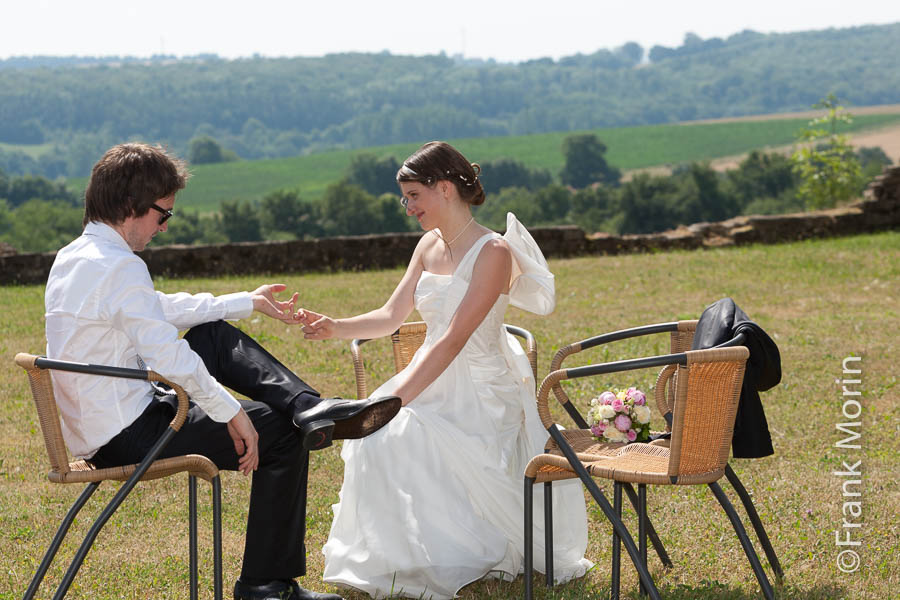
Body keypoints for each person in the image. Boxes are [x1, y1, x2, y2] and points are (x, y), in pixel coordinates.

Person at [44, 143, 400, 600]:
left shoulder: (75, 257)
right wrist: (232, 412)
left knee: (210, 333)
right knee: (279, 431)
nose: (164, 227)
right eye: (163, 215)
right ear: (131, 206)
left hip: (109, 423)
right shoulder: (118, 267)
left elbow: (156, 309)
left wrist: (247, 301)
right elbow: (169, 359)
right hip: (127, 434)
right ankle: (265, 587)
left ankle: (310, 407)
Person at [298, 141, 593, 599]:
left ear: (446, 188)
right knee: (377, 440)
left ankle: (468, 552)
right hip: (430, 370)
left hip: (481, 383)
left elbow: (456, 337)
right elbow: (393, 315)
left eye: (414, 195)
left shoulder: (494, 251)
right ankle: (412, 554)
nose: (408, 207)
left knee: (402, 432)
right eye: (406, 197)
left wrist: (396, 400)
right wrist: (334, 326)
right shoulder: (426, 246)